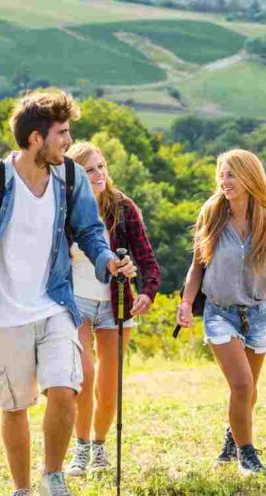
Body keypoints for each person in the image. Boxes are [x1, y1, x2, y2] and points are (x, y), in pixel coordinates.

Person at [0, 91, 136, 496]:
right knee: (14, 404)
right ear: (36, 138)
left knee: (65, 389)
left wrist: (108, 261)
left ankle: (53, 475)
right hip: (4, 312)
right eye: (62, 134)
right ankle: (21, 491)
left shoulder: (70, 178)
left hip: (55, 303)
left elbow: (91, 231)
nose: (67, 141)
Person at [176, 149, 266, 475]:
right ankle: (247, 454)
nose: (225, 181)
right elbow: (196, 269)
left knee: (248, 390)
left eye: (231, 174)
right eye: (222, 175)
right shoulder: (212, 214)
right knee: (242, 385)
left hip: (258, 312)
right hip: (220, 313)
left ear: (249, 176)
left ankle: (232, 437)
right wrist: (186, 303)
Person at [64, 142, 162, 477]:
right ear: (76, 175)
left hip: (117, 303)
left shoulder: (123, 207)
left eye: (102, 166)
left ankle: (100, 447)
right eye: (90, 169)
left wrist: (147, 293)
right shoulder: (64, 209)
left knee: (109, 381)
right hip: (76, 301)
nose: (100, 174)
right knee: (85, 374)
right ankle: (79, 449)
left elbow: (147, 260)